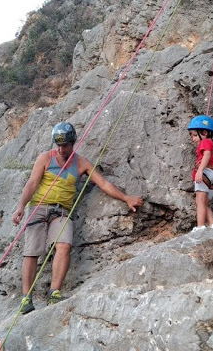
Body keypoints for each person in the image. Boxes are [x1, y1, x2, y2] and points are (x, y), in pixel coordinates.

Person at [12, 121, 143, 314]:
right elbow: (32, 183)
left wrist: (126, 198)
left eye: (65, 145)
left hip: (62, 210)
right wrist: (21, 206)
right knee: (32, 251)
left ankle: (54, 293)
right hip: (39, 207)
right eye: (58, 145)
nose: (61, 149)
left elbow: (103, 183)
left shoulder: (81, 163)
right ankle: (26, 299)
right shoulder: (45, 158)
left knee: (64, 245)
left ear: (72, 143)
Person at [187, 115, 213, 232]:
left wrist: (200, 170)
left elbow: (207, 155)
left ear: (204, 132)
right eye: (191, 136)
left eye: (195, 135)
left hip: (205, 173)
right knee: (204, 202)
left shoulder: (205, 142)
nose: (193, 138)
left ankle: (200, 227)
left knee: (199, 201)